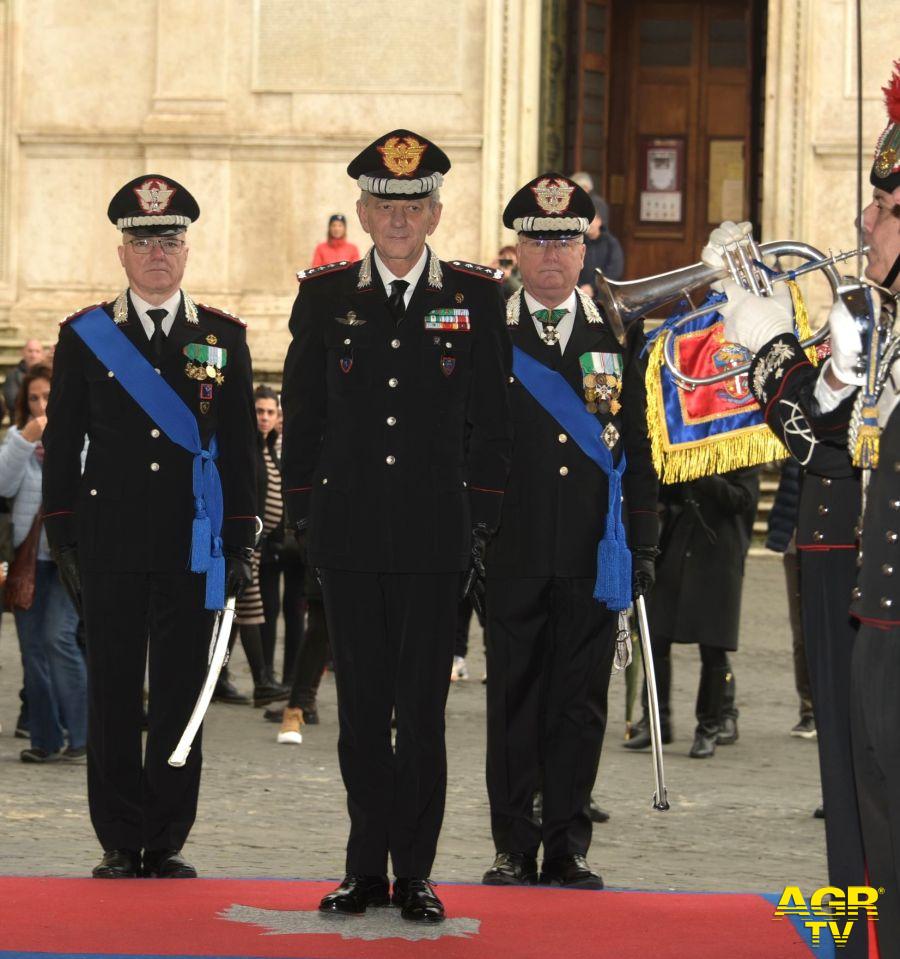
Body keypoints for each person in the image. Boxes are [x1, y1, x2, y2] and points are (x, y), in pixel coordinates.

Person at [281, 129, 512, 922]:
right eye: (385, 202)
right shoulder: (325, 296)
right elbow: (303, 417)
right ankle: (363, 867)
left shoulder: (478, 298)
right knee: (358, 716)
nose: (399, 217)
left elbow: (493, 421)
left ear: (436, 211)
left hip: (433, 543)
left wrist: (476, 522)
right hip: (347, 539)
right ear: (362, 210)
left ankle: (413, 872)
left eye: (413, 203)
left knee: (420, 715)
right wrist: (306, 515)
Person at [707, 65, 900, 953]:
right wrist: (774, 340)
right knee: (866, 798)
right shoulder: (879, 317)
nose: (866, 220)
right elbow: (826, 431)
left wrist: (776, 347)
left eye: (885, 207)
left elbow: (827, 440)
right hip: (872, 601)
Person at [42, 173, 257, 881]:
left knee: (179, 690)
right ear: (122, 253)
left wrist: (241, 534)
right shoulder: (87, 337)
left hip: (192, 546)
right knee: (110, 692)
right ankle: (117, 835)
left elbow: (242, 447)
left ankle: (164, 835)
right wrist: (64, 534)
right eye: (144, 240)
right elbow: (64, 438)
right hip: (110, 542)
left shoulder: (221, 338)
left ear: (187, 248)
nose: (158, 252)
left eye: (170, 238)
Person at [482, 174, 658, 889]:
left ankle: (568, 843)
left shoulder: (618, 333)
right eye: (537, 241)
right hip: (513, 550)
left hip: (594, 552)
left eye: (564, 241)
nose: (550, 256)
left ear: (586, 249)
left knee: (580, 703)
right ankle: (512, 845)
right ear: (517, 250)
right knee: (513, 700)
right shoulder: (490, 333)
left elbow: (640, 449)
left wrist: (642, 542)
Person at [626, 469, 759, 759]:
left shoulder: (739, 448)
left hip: (719, 555)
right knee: (657, 639)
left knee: (713, 647)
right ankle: (656, 722)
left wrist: (705, 478)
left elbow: (743, 500)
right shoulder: (686, 444)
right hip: (678, 545)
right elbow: (665, 494)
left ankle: (708, 728)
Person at [0, 364, 86, 763]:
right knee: (32, 649)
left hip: (69, 558)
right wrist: (23, 440)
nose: (40, 405)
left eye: (47, 396)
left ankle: (84, 736)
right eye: (33, 398)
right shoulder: (18, 441)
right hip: (28, 560)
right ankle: (45, 738)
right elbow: (3, 485)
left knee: (59, 639)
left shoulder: (83, 438)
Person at [232, 385, 289, 707]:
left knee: (238, 613)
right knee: (248, 609)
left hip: (261, 542)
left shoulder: (267, 446)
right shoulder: (246, 445)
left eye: (270, 412)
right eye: (260, 411)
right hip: (246, 541)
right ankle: (262, 681)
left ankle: (219, 677)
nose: (265, 417)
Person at [577, 194, 624, 294]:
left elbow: (615, 270)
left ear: (599, 221)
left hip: (605, 294)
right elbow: (571, 267)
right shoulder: (577, 243)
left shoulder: (611, 243)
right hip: (580, 293)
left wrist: (593, 287)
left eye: (591, 220)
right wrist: (580, 287)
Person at [3, 340, 47, 422]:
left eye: (37, 351)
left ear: (43, 355)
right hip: (21, 425)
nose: (33, 355)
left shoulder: (48, 375)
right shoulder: (12, 376)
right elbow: (12, 403)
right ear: (23, 353)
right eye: (30, 351)